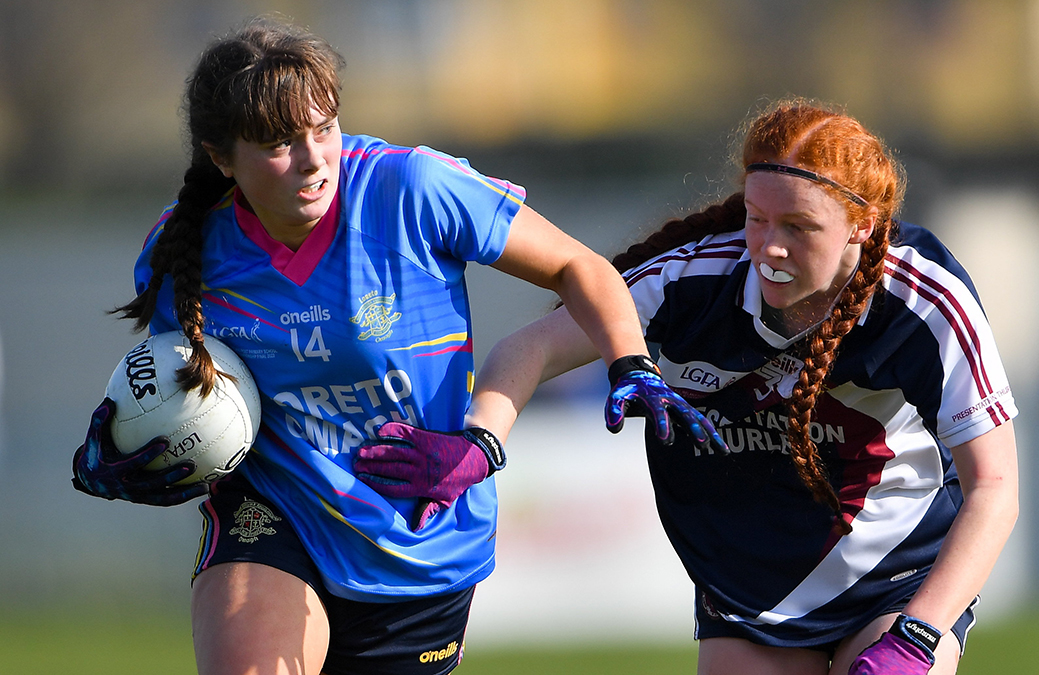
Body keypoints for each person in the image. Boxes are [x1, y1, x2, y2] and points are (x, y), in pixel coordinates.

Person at [68, 16, 716, 675]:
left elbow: (580, 269)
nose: (314, 157)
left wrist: (623, 366)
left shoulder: (412, 189)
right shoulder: (185, 249)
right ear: (220, 155)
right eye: (279, 142)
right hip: (275, 512)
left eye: (324, 128)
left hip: (418, 538)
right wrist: (133, 443)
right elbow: (178, 395)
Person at [462, 99, 1020, 675]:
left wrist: (919, 636)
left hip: (898, 579)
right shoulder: (691, 283)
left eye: (800, 226)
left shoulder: (924, 303)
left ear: (863, 222)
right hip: (747, 587)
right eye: (757, 218)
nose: (770, 248)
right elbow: (528, 348)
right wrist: (481, 440)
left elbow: (995, 486)